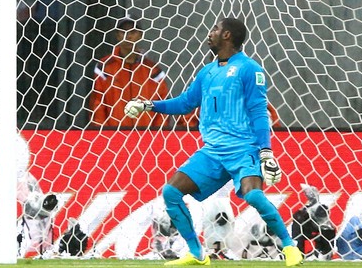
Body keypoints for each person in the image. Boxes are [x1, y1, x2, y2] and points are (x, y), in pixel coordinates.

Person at [124, 17, 303, 266]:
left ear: (227, 35)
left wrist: (266, 153)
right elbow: (186, 103)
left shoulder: (250, 69)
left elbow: (259, 111)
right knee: (171, 192)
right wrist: (149, 105)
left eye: (215, 29)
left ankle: (290, 247)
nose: (210, 33)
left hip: (243, 148)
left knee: (254, 197)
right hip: (213, 152)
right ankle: (197, 254)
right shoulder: (207, 71)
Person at [89, 15, 170, 128]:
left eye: (133, 31)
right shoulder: (104, 68)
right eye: (123, 31)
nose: (128, 36)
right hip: (112, 137)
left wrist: (157, 134)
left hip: (146, 137)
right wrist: (103, 134)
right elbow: (98, 105)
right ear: (117, 35)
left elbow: (162, 105)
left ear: (140, 35)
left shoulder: (153, 70)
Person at [291, 184, 335, 260]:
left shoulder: (320, 208)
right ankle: (299, 251)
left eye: (308, 193)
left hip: (324, 232)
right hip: (309, 231)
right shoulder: (306, 208)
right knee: (298, 218)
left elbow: (325, 225)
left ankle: (323, 252)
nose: (307, 195)